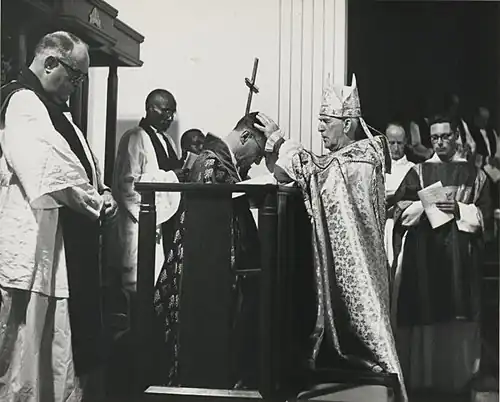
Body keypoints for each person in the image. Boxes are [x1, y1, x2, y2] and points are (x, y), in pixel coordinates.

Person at [258, 74, 407, 402]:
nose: (320, 128)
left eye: (326, 121)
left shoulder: (359, 160)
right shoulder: (348, 159)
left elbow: (315, 169)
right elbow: (305, 171)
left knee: (370, 332)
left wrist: (280, 142)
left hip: (361, 266)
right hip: (358, 260)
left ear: (348, 123)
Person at [0, 31, 117, 401]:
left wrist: (102, 190)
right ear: (50, 62)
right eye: (76, 76)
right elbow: (51, 169)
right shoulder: (23, 101)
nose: (77, 86)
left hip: (57, 243)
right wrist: (95, 202)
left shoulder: (51, 107)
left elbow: (80, 166)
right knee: (28, 356)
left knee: (52, 352)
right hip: (34, 246)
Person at [152, 112, 267, 388]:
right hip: (204, 274)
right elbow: (212, 232)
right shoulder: (211, 163)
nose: (257, 161)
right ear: (245, 136)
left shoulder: (221, 162)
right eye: (258, 152)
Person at [390, 113, 492, 395]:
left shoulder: (475, 174)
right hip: (423, 257)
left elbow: (486, 218)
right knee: (425, 312)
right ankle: (424, 381)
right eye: (434, 137)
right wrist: (424, 206)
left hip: (460, 259)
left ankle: (459, 381)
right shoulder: (419, 172)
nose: (440, 142)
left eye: (445, 136)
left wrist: (460, 209)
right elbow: (397, 211)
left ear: (456, 136)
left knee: (457, 317)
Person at [105, 89, 183, 393]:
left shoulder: (167, 141)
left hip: (162, 225)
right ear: (150, 108)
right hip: (141, 227)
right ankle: (131, 376)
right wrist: (171, 180)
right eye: (164, 110)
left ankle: (155, 366)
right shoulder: (134, 138)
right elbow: (127, 185)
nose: (169, 117)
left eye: (172, 111)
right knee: (138, 298)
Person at [384, 122, 415, 268]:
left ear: (406, 142)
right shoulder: (378, 168)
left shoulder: (413, 169)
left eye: (399, 143)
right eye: (391, 143)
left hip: (402, 229)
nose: (396, 148)